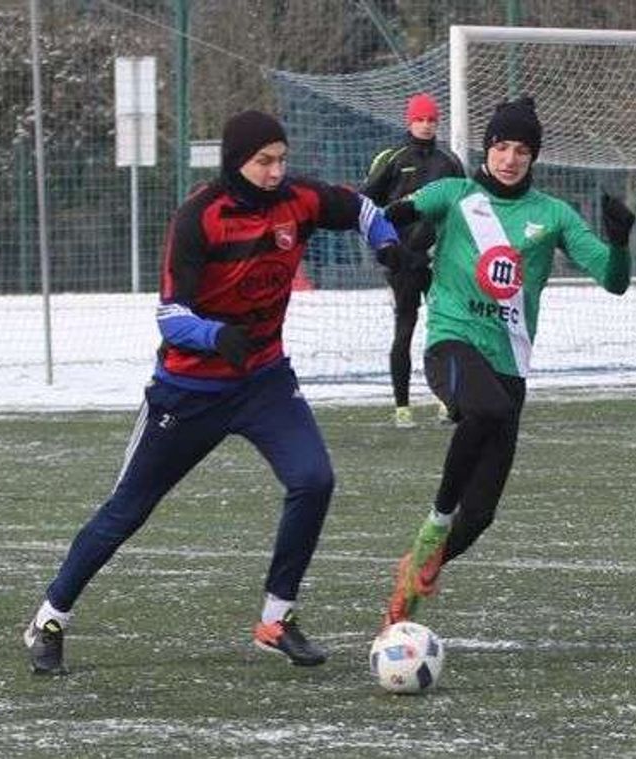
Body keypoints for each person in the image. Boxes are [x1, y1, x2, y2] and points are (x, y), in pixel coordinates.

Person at [23, 109, 410, 674]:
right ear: (237, 162)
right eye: (264, 162)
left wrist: (389, 246)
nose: (277, 171)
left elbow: (363, 209)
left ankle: (276, 619)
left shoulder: (299, 200)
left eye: (281, 159)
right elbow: (169, 314)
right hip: (189, 391)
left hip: (264, 382)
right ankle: (49, 617)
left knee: (314, 479)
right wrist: (215, 335)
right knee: (126, 511)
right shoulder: (198, 218)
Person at [379, 96, 636, 626]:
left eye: (522, 149)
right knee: (484, 411)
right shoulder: (454, 194)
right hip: (451, 344)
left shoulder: (553, 215)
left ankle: (418, 569)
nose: (509, 158)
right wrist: (395, 250)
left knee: (480, 515)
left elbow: (614, 281)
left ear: (534, 156)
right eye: (500, 146)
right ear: (488, 148)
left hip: (508, 367)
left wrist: (620, 240)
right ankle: (432, 527)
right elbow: (387, 215)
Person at [361, 93, 465, 428]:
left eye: (431, 120)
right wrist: (386, 246)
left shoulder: (449, 161)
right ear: (410, 121)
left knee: (447, 332)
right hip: (403, 264)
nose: (426, 125)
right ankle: (402, 407)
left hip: (440, 263)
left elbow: (463, 209)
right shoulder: (392, 158)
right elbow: (365, 205)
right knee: (404, 330)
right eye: (420, 119)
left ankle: (447, 400)